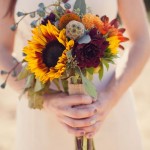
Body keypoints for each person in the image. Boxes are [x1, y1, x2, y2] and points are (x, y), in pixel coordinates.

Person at [0, 0, 150, 149]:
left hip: (109, 109)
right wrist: (45, 100)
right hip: (42, 119)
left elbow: (142, 38)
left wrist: (110, 97)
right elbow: (2, 49)